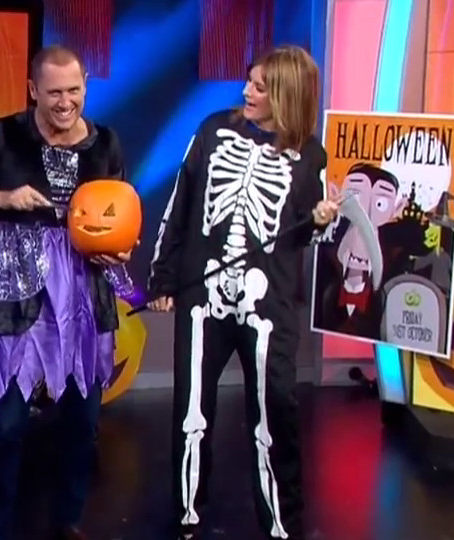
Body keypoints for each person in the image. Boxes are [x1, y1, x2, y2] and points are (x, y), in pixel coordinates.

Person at [0, 45, 133, 540]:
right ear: (33, 91)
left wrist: (119, 251)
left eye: (74, 91)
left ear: (86, 86)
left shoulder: (106, 143)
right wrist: (5, 197)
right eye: (54, 92)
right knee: (6, 424)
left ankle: (68, 521)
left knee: (83, 421)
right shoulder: (3, 135)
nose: (66, 102)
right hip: (17, 293)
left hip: (82, 294)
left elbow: (119, 215)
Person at [146, 45, 339, 540]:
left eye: (259, 87)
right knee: (192, 410)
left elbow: (301, 233)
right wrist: (163, 277)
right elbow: (180, 205)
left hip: (268, 302)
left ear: (286, 96)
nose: (246, 92)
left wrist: (320, 221)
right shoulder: (214, 131)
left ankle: (282, 525)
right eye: (249, 82)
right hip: (204, 293)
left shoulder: (310, 155)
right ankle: (187, 516)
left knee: (275, 413)